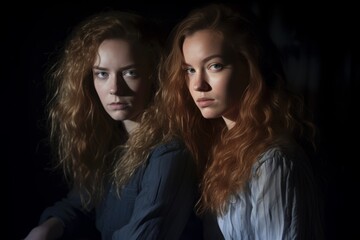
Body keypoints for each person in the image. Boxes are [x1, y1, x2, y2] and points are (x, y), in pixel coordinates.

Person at [24, 10, 201, 240]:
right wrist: (48, 227)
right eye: (102, 74)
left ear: (154, 75)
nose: (114, 89)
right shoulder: (114, 140)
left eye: (130, 73)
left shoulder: (169, 151)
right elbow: (82, 202)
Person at [156, 3, 324, 239]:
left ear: (250, 66)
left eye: (215, 66)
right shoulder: (223, 148)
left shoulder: (272, 161)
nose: (198, 85)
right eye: (189, 70)